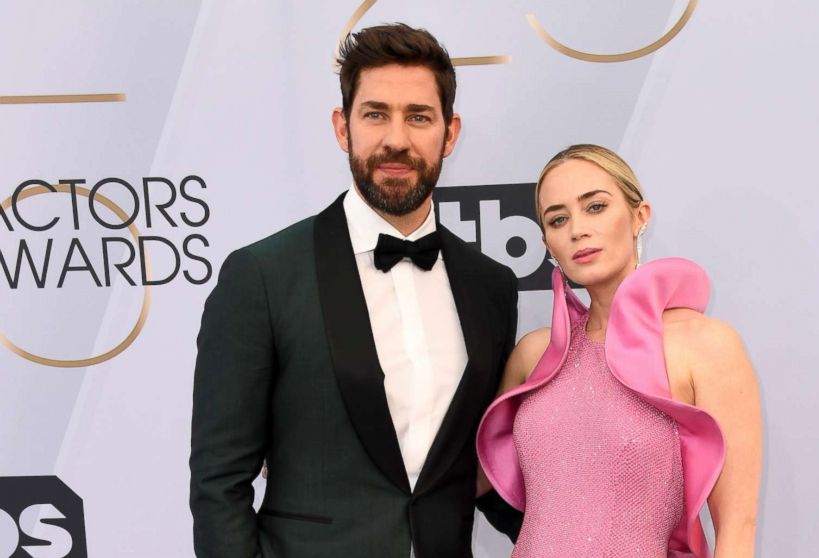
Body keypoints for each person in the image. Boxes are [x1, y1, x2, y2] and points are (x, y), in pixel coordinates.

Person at [190, 24, 520, 557]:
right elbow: (218, 484)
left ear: (450, 133)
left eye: (418, 116)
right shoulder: (263, 276)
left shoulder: (491, 286)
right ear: (342, 128)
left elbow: (489, 466)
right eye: (375, 114)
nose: (396, 139)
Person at [476, 144, 762, 557]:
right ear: (547, 243)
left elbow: (737, 529)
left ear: (639, 217)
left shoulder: (706, 346)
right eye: (558, 219)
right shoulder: (534, 354)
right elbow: (464, 483)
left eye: (595, 207)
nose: (577, 229)